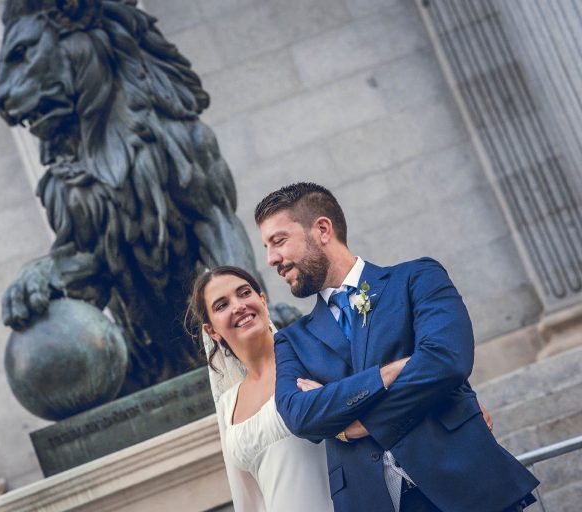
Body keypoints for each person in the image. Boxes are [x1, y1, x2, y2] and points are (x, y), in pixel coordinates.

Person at [254, 182, 539, 512]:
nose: (271, 259)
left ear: (322, 229)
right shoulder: (292, 340)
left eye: (278, 241)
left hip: (468, 486)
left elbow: (447, 361)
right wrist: (386, 374)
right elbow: (299, 415)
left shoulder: (417, 278)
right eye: (267, 247)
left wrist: (359, 425)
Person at [186, 266, 334, 512]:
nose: (238, 306)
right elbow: (248, 500)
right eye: (222, 305)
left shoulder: (309, 354)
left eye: (244, 293)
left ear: (263, 300)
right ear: (211, 331)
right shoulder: (228, 405)